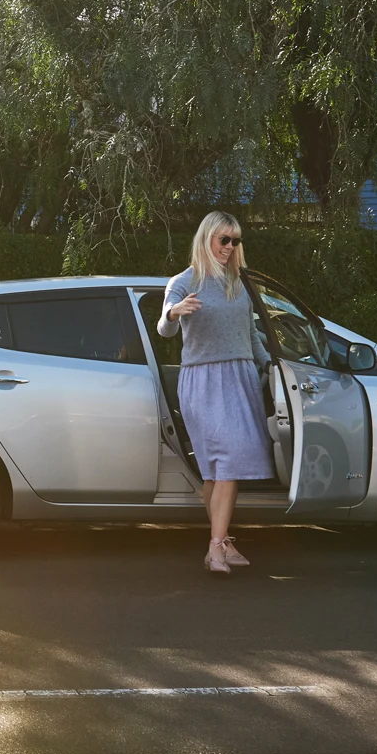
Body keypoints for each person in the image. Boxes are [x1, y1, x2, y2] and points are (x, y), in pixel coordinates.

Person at [155, 211, 275, 576]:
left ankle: (222, 541)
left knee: (218, 471)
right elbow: (163, 328)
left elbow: (250, 334)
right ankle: (215, 548)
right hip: (204, 381)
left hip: (241, 378)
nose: (229, 247)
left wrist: (271, 365)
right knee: (226, 462)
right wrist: (174, 312)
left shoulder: (238, 282)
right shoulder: (184, 280)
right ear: (206, 238)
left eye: (235, 240)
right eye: (224, 239)